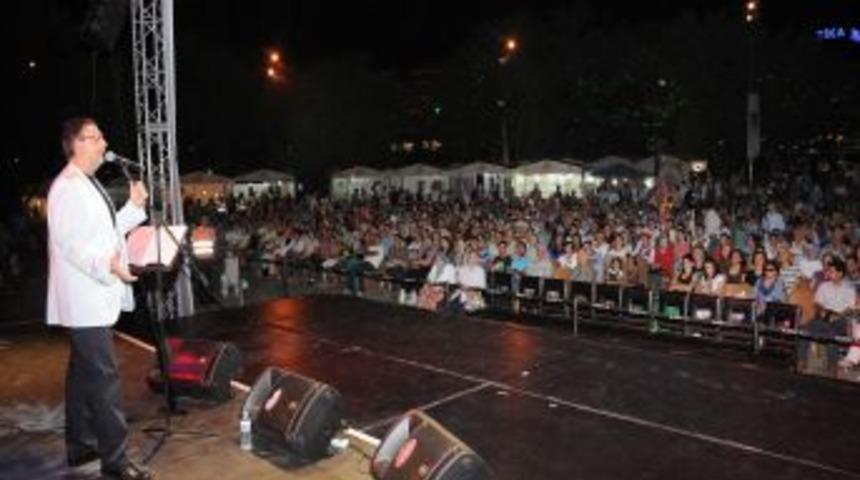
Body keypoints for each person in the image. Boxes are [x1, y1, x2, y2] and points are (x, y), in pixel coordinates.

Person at [46, 117, 152, 480]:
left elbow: (106, 232)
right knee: (105, 381)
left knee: (82, 376)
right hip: (84, 300)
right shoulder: (67, 187)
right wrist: (108, 265)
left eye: (102, 136)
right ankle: (116, 462)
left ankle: (80, 446)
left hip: (89, 299)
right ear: (76, 144)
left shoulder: (87, 184)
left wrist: (134, 208)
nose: (104, 143)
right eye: (95, 137)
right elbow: (71, 246)